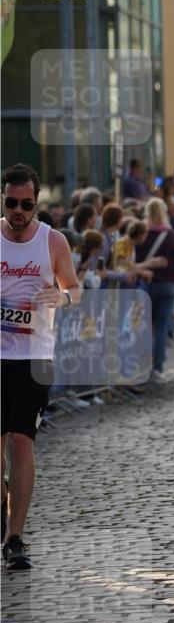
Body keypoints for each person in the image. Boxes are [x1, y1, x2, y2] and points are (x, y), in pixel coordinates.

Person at [1, 163, 80, 570]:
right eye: (12, 203)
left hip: (34, 357)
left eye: (26, 204)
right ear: (3, 199)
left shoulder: (53, 241)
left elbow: (74, 288)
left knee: (20, 441)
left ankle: (15, 537)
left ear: (36, 203)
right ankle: (3, 505)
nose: (18, 210)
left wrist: (61, 298)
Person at [135, 198, 174, 381]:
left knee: (144, 328)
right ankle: (158, 367)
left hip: (145, 285)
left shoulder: (141, 234)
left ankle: (142, 365)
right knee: (161, 328)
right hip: (168, 285)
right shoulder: (171, 235)